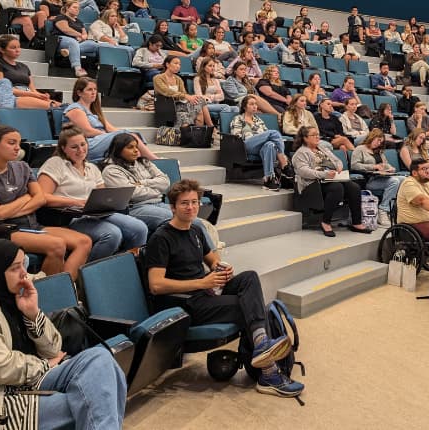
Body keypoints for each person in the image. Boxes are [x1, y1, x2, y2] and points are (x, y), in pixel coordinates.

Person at [146, 179, 303, 396]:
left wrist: (221, 269)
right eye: (184, 203)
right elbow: (156, 285)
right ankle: (268, 374)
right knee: (247, 307)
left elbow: (213, 260)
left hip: (203, 292)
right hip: (184, 304)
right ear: (172, 207)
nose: (191, 207)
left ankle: (261, 346)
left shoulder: (196, 230)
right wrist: (202, 282)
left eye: (194, 202)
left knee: (249, 277)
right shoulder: (161, 238)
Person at [0, 239, 127, 429]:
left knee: (100, 359)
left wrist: (32, 313)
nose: (25, 274)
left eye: (24, 265)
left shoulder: (13, 298)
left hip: (30, 380)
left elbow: (54, 348)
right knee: (95, 401)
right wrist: (45, 366)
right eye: (15, 268)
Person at [0, 125, 92, 278]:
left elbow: (40, 198)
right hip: (5, 231)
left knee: (84, 242)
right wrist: (25, 198)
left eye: (18, 143)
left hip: (32, 225)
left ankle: (65, 288)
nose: (18, 148)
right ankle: (49, 293)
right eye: (12, 143)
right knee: (57, 245)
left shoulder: (22, 167)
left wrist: (12, 209)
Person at [38, 126, 148, 260]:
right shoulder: (55, 163)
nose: (80, 150)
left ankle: (127, 265)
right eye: (74, 147)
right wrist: (76, 202)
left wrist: (110, 201)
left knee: (140, 228)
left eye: (83, 144)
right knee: (112, 234)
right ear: (63, 148)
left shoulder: (92, 167)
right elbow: (43, 197)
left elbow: (102, 194)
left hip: (94, 213)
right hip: (69, 216)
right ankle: (88, 273)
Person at [292, 126, 372, 237]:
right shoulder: (301, 153)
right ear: (305, 138)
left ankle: (356, 222)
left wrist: (339, 166)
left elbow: (337, 160)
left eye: (318, 134)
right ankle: (325, 221)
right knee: (337, 187)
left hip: (330, 178)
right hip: (312, 184)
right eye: (313, 135)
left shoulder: (322, 148)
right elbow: (304, 172)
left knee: (354, 187)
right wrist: (324, 174)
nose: (317, 137)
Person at [64, 77, 157, 163]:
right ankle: (154, 160)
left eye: (95, 89)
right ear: (79, 93)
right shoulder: (75, 109)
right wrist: (113, 136)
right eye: (89, 90)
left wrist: (124, 134)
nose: (93, 92)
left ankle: (144, 164)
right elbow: (87, 131)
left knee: (132, 135)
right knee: (126, 137)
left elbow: (109, 128)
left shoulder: (94, 111)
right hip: (87, 144)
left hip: (101, 140)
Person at [230, 95, 289, 191]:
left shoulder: (258, 120)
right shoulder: (238, 119)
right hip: (245, 145)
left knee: (270, 145)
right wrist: (256, 138)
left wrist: (261, 140)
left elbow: (266, 136)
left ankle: (268, 179)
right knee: (273, 133)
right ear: (245, 106)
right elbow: (236, 137)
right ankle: (283, 162)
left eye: (256, 104)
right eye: (251, 104)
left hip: (259, 147)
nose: (255, 106)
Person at [0, 35, 59, 111]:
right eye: (13, 48)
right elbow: (2, 89)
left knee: (60, 106)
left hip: (29, 94)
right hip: (12, 96)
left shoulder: (24, 66)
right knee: (51, 106)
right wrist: (34, 95)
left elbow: (33, 89)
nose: (17, 50)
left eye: (19, 47)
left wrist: (42, 96)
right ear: (2, 50)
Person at [350, 129, 402, 226]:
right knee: (394, 181)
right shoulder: (360, 149)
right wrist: (373, 167)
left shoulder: (379, 151)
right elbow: (354, 165)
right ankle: (383, 209)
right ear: (372, 137)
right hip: (369, 180)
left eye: (381, 142)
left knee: (404, 180)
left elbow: (385, 164)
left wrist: (390, 168)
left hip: (380, 177)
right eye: (378, 140)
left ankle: (395, 209)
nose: (379, 143)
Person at [154, 56, 214, 127]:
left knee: (200, 102)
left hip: (180, 105)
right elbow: (166, 91)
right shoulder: (158, 78)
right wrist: (186, 96)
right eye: (175, 63)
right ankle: (210, 128)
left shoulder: (178, 79)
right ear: (167, 64)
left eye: (179, 64)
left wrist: (191, 98)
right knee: (197, 112)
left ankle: (205, 131)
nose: (178, 66)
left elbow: (183, 93)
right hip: (167, 105)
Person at [53, 0, 105, 78]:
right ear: (67, 8)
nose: (77, 9)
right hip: (61, 39)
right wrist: (79, 35)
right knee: (73, 43)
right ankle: (78, 68)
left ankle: (102, 70)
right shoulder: (61, 17)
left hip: (78, 41)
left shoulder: (79, 21)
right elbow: (65, 29)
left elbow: (85, 34)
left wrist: (82, 37)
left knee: (94, 44)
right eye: (74, 7)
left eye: (78, 8)